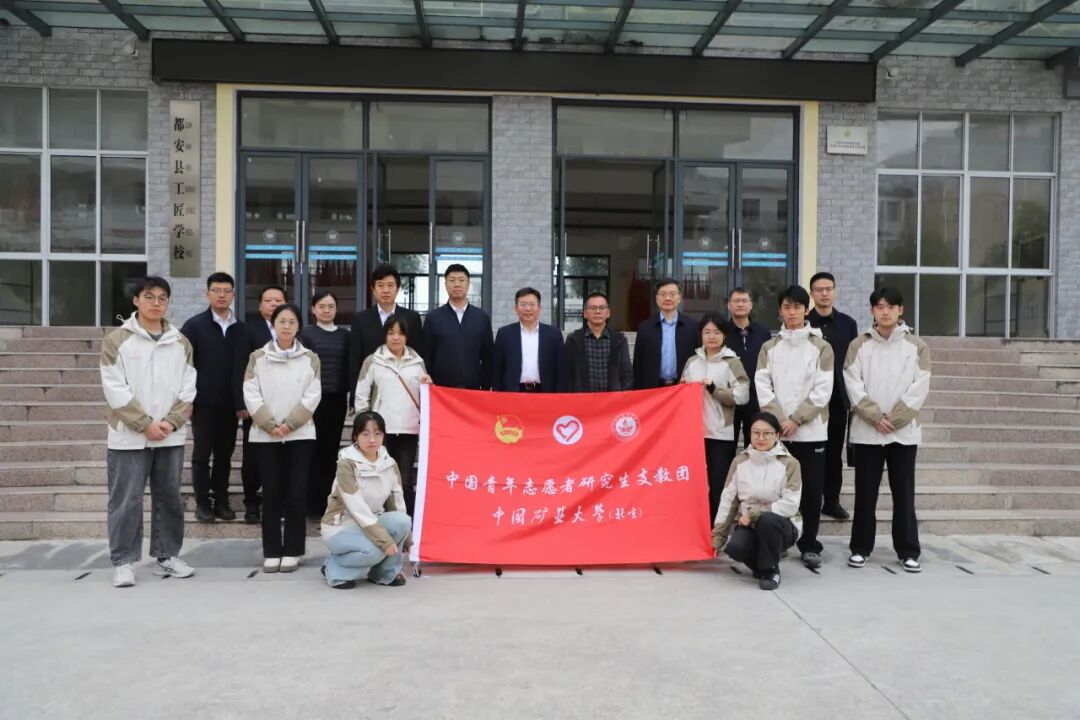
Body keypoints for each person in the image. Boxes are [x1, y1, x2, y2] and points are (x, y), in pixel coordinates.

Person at [100, 276, 197, 588]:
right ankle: (123, 561)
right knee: (126, 500)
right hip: (129, 436)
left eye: (162, 298)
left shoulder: (180, 342)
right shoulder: (117, 340)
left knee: (169, 497)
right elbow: (114, 388)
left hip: (169, 435)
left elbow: (188, 388)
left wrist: (170, 422)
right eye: (149, 297)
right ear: (136, 301)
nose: (156, 303)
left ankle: (167, 555)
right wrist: (145, 424)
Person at [844, 287, 931, 574]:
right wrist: (874, 417)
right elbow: (852, 383)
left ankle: (908, 551)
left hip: (902, 434)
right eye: (879, 307)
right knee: (865, 494)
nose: (885, 312)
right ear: (872, 311)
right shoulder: (859, 345)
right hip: (867, 432)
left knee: (904, 494)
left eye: (890, 307)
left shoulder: (916, 346)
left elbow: (920, 386)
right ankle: (860, 548)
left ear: (900, 310)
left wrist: (894, 419)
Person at [755, 285, 833, 571]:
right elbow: (763, 385)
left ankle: (809, 544)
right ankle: (780, 541)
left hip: (811, 432)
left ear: (806, 310)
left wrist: (797, 419)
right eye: (786, 307)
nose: (792, 312)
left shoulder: (821, 347)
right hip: (778, 433)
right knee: (778, 490)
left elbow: (823, 390)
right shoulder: (769, 347)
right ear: (780, 310)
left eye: (797, 307)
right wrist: (779, 421)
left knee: (811, 491)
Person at [243, 303, 322, 574]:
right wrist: (269, 424)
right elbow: (250, 392)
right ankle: (272, 551)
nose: (286, 326)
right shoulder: (258, 357)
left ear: (299, 326)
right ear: (273, 325)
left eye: (292, 322)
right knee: (271, 493)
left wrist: (290, 424)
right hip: (266, 436)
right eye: (281, 321)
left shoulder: (310, 358)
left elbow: (313, 394)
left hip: (300, 435)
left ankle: (293, 550)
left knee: (297, 493)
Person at [180, 272, 246, 524]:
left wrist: (241, 403)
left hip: (230, 405)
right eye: (216, 290)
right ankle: (203, 503)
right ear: (207, 294)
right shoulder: (194, 326)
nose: (221, 295)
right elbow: (183, 365)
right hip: (203, 404)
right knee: (201, 455)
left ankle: (221, 501)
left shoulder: (241, 329)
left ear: (233, 295)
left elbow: (242, 368)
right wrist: (187, 400)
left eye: (226, 291)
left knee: (224, 455)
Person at [712, 412, 802, 591]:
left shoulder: (790, 463)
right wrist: (718, 537)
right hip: (750, 524)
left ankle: (770, 571)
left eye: (767, 433)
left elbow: (790, 504)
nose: (760, 438)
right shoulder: (739, 462)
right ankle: (763, 565)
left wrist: (754, 514)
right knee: (735, 548)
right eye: (756, 433)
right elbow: (728, 500)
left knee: (767, 520)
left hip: (782, 524)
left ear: (777, 435)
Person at [321, 411, 411, 589]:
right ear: (355, 436)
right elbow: (357, 509)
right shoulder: (346, 464)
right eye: (365, 434)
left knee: (403, 521)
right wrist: (385, 541)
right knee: (373, 550)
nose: (372, 439)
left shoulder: (389, 463)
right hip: (341, 527)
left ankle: (385, 573)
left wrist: (406, 536)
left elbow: (396, 504)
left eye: (378, 433)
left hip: (373, 522)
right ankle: (334, 567)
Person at [354, 315, 432, 515]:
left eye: (400, 333)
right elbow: (362, 394)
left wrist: (428, 385)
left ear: (406, 337)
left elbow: (426, 396)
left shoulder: (417, 363)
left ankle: (407, 523)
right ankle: (380, 521)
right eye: (391, 333)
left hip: (409, 428)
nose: (395, 338)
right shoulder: (373, 361)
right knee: (381, 478)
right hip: (380, 431)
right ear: (385, 336)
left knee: (404, 480)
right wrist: (365, 426)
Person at [681, 312, 750, 524]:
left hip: (720, 434)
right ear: (700, 334)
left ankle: (715, 530)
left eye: (716, 332)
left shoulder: (732, 362)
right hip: (693, 434)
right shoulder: (692, 362)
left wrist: (714, 389)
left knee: (719, 485)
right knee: (694, 485)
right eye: (707, 332)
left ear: (724, 335)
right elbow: (679, 393)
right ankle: (695, 526)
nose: (711, 336)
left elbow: (742, 395)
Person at [807, 271, 860, 521]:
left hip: (838, 397)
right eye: (819, 290)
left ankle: (832, 501)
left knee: (834, 452)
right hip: (810, 398)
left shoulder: (848, 324)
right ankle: (807, 501)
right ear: (812, 294)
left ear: (835, 292)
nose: (824, 293)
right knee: (810, 452)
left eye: (828, 289)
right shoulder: (803, 322)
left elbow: (853, 362)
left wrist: (854, 397)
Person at [236, 284, 286, 524]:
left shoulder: (291, 329)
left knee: (280, 458)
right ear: (260, 305)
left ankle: (276, 502)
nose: (274, 304)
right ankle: (251, 503)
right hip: (256, 407)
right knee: (253, 458)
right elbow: (239, 367)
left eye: (279, 300)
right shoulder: (248, 330)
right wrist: (242, 403)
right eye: (269, 300)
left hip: (284, 406)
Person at [300, 291, 351, 521]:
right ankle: (310, 505)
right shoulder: (306, 334)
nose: (327, 310)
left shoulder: (345, 336)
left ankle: (326, 503)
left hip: (336, 400)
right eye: (322, 306)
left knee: (330, 453)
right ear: (313, 309)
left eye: (331, 306)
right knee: (312, 451)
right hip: (313, 401)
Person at [349, 264, 424, 391]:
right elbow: (355, 361)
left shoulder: (412, 318)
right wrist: (355, 395)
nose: (385, 290)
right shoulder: (360, 320)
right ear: (373, 289)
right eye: (380, 285)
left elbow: (418, 356)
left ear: (397, 289)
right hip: (372, 389)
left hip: (404, 389)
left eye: (390, 285)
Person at [423, 264, 494, 390]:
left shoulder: (482, 318)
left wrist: (486, 386)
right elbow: (427, 355)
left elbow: (488, 356)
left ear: (468, 284)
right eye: (452, 280)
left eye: (461, 280)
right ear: (445, 284)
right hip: (441, 390)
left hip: (473, 389)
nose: (457, 284)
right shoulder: (433, 318)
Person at [492, 287, 566, 392]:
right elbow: (497, 370)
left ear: (539, 308)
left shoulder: (553, 334)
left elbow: (561, 370)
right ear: (516, 308)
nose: (527, 309)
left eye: (532, 304)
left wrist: (559, 396)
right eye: (523, 305)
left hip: (545, 393)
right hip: (513, 393)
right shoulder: (504, 334)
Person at [724, 287, 772, 448]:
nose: (740, 304)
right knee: (727, 446)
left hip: (756, 396)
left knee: (755, 445)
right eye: (736, 301)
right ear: (729, 305)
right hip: (730, 397)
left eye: (744, 300)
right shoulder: (721, 332)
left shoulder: (762, 332)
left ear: (751, 305)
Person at [564, 290, 632, 393]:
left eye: (602, 308)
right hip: (582, 399)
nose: (597, 311)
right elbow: (567, 374)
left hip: (612, 400)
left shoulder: (619, 340)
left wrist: (623, 397)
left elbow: (627, 374)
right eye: (593, 308)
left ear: (608, 313)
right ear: (585, 313)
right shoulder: (573, 340)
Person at [633, 279, 696, 390]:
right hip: (652, 389)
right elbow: (638, 365)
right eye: (663, 294)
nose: (667, 298)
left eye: (672, 294)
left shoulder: (692, 326)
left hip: (684, 388)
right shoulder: (645, 328)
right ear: (656, 298)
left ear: (679, 298)